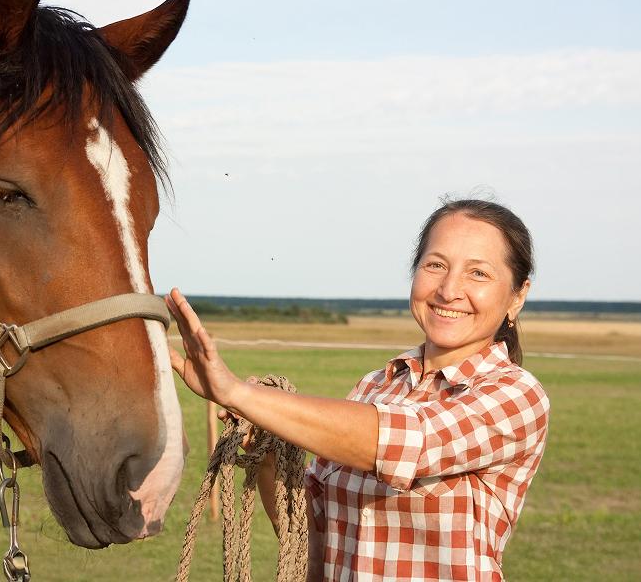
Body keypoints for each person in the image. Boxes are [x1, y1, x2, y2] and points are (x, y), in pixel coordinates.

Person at [167, 199, 550, 581]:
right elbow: (306, 534)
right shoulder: (373, 387)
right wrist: (267, 447)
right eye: (435, 265)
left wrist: (240, 394)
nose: (449, 290)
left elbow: (408, 442)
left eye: (478, 273)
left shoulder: (516, 395)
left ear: (518, 296)